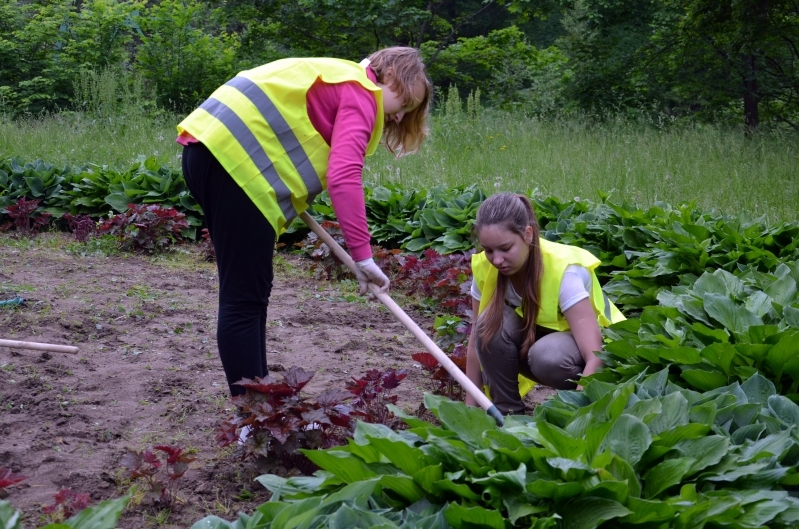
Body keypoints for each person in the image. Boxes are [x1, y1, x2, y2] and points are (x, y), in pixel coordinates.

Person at [177, 47, 433, 397]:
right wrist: (363, 257)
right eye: (404, 105)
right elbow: (344, 175)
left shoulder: (338, 76)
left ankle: (260, 399)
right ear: (389, 75)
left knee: (251, 291)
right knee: (244, 298)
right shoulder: (361, 93)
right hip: (231, 164)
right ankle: (253, 418)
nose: (401, 118)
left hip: (206, 149)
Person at [465, 193, 625, 415]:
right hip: (541, 339)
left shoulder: (564, 272)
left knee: (546, 356)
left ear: (527, 234)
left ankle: (593, 399)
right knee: (489, 324)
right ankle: (506, 414)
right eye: (489, 250)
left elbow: (595, 354)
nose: (497, 260)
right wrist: (468, 412)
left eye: (505, 248)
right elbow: (476, 344)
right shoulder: (485, 266)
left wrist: (575, 418)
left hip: (600, 353)